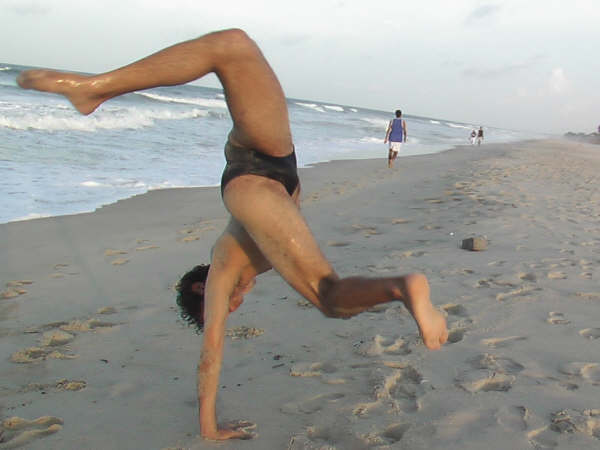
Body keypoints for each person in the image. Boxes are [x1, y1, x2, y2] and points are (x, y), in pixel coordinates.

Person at [17, 29, 448, 441]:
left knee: (329, 297)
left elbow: (211, 354)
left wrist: (208, 426)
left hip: (256, 179)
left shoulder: (223, 270)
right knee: (231, 45)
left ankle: (404, 287)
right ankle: (97, 90)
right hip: (271, 164)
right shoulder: (242, 264)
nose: (233, 306)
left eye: (222, 306)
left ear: (201, 289)